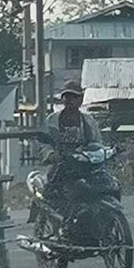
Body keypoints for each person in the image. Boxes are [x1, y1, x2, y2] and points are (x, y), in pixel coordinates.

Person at [41, 80, 102, 212]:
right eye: (67, 97)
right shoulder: (52, 120)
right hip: (61, 164)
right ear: (62, 100)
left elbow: (97, 143)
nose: (70, 100)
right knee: (51, 190)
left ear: (81, 99)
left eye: (74, 97)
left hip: (84, 163)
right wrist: (50, 154)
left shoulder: (88, 121)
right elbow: (43, 143)